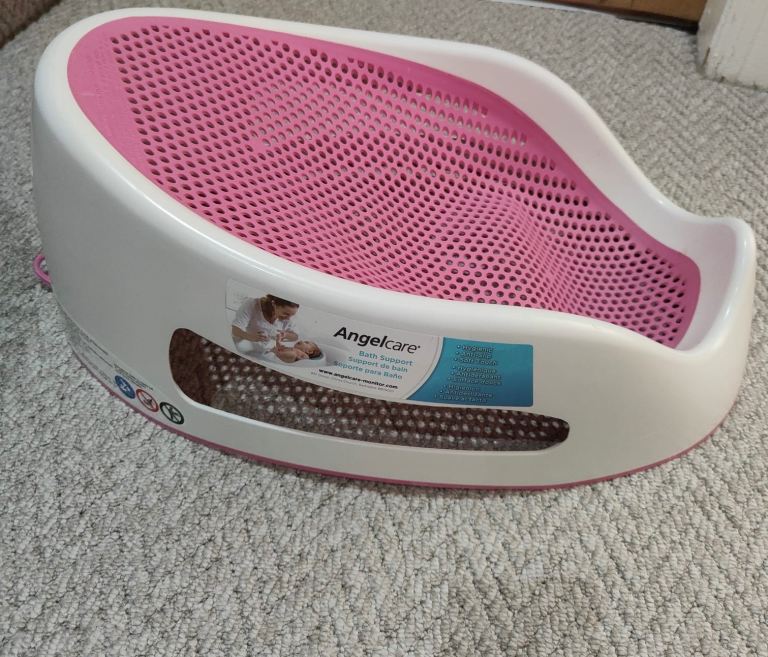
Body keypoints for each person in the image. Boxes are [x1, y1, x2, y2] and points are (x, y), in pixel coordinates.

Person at [232, 294, 300, 355]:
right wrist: (251, 337)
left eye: (292, 315)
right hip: (244, 346)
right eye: (286, 314)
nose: (288, 318)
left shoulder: (288, 317)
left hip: (264, 352)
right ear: (274, 304)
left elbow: (295, 336)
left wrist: (285, 335)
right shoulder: (252, 304)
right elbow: (235, 330)